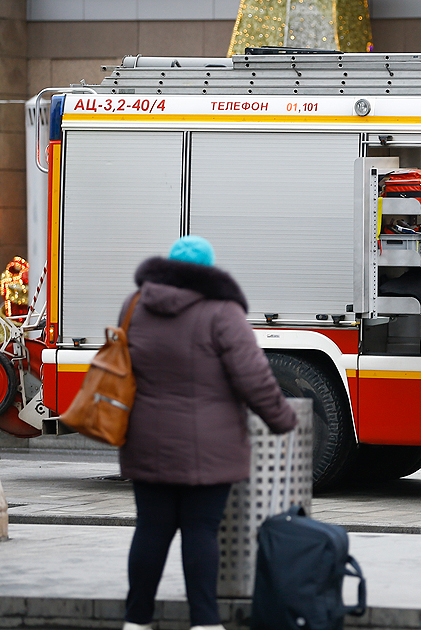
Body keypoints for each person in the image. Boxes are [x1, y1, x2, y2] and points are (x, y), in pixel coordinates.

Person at [120, 236, 298, 630]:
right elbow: (253, 378)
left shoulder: (136, 305)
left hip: (146, 437)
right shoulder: (222, 310)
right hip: (210, 444)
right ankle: (204, 621)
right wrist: (283, 419)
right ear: (209, 269)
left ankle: (136, 620)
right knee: (201, 531)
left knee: (151, 528)